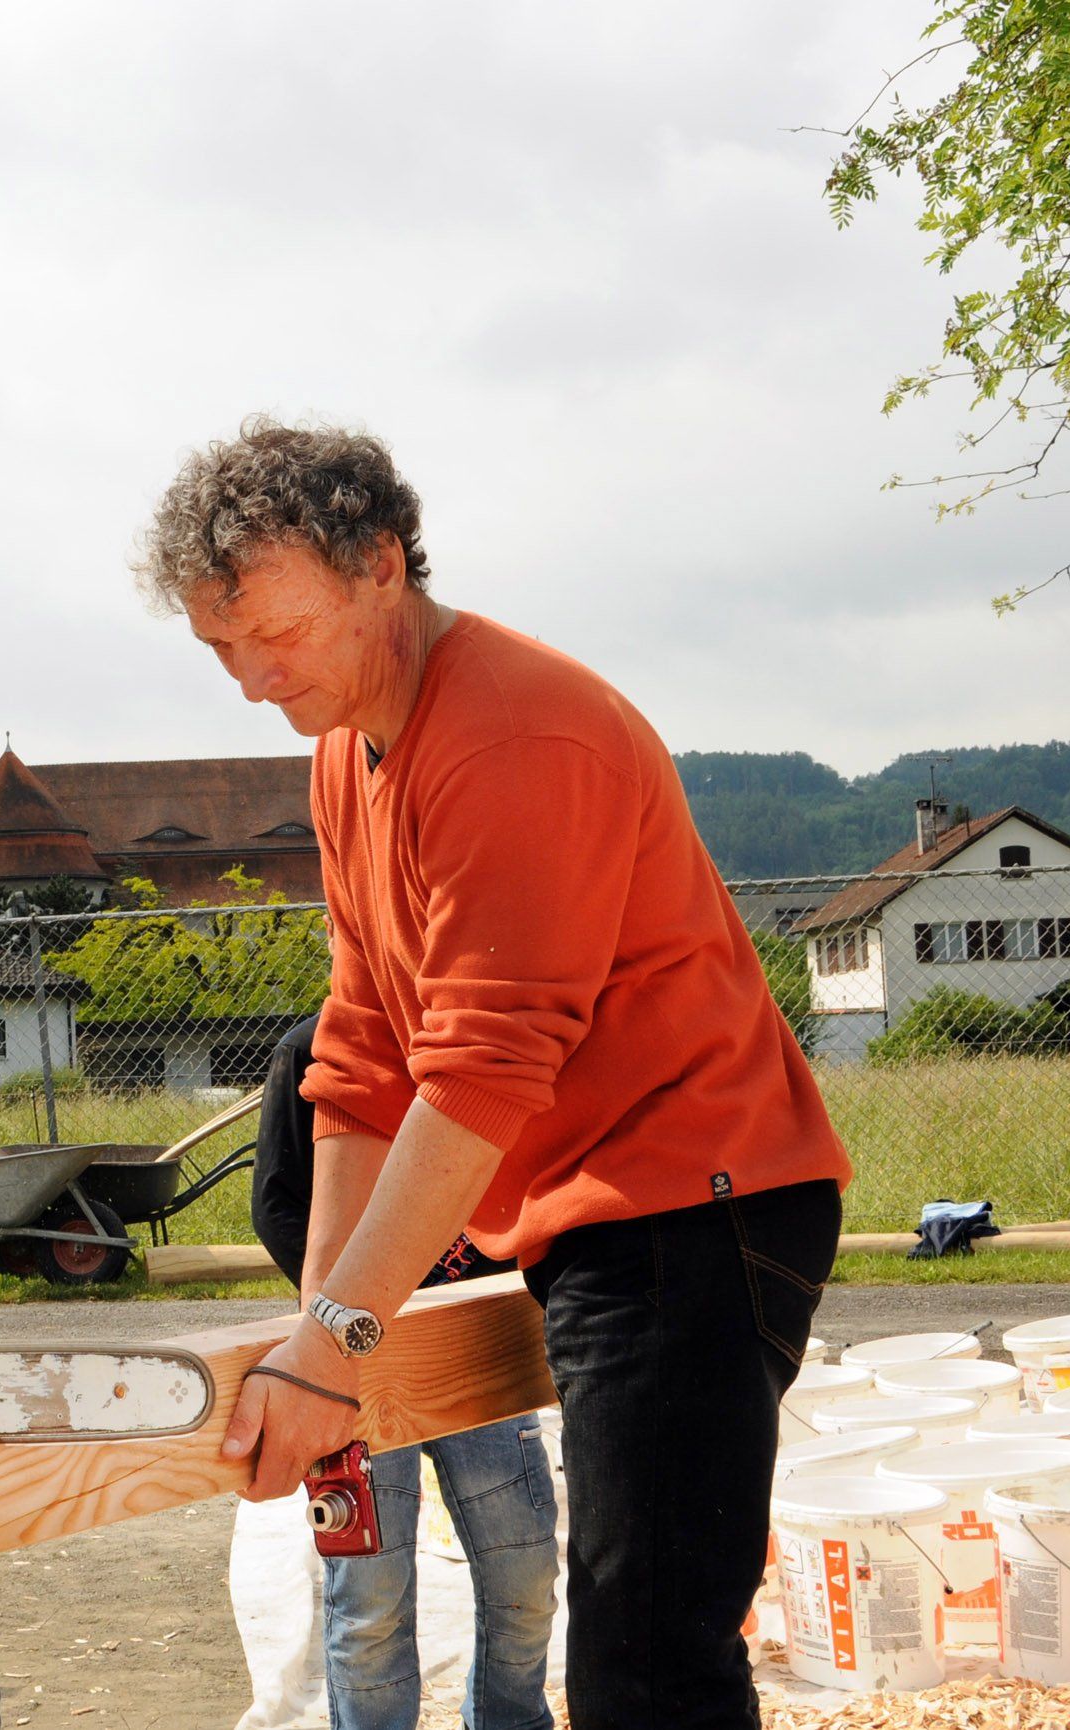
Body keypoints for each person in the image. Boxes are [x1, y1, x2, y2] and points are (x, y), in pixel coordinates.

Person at [139, 419, 849, 1730]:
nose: (251, 678)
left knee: (648, 1663)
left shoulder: (510, 734)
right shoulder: (344, 750)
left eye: (276, 633)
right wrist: (319, 1328)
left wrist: (337, 1341)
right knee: (638, 1647)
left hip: (691, 1203)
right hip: (597, 1211)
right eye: (219, 648)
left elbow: (478, 1075)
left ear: (380, 564)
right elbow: (363, 1054)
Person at [243, 1017, 557, 1730]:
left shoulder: (488, 1039)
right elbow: (277, 1206)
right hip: (359, 1357)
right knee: (371, 1602)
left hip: (472, 1344)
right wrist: (355, 1314)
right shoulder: (313, 1050)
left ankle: (510, 1719)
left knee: (525, 1571)